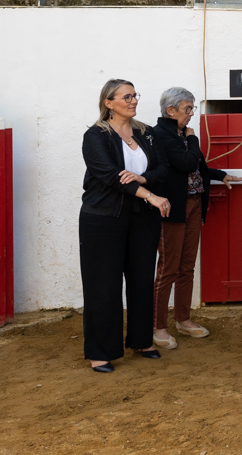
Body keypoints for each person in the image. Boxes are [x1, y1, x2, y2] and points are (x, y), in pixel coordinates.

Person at [80, 79, 171, 374]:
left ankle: (142, 341)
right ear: (109, 103)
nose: (133, 101)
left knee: (141, 280)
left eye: (134, 96)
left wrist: (144, 179)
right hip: (104, 218)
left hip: (142, 218)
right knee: (103, 285)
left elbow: (163, 168)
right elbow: (111, 175)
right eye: (127, 97)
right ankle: (100, 352)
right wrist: (150, 195)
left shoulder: (147, 133)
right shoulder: (96, 135)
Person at [150, 88, 240, 350]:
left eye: (192, 108)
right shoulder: (161, 135)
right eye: (187, 108)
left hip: (193, 204)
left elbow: (196, 166)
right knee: (168, 268)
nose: (191, 113)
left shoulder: (180, 134)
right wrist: (193, 138)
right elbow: (187, 163)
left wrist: (219, 174)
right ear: (170, 110)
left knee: (187, 266)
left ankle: (183, 319)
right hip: (173, 208)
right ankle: (158, 327)